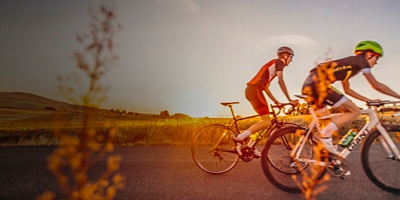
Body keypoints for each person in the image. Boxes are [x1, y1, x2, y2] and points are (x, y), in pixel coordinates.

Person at [301, 40, 400, 155]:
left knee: (327, 124)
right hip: (318, 85)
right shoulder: (360, 61)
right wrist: (398, 96)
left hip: (309, 85)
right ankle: (322, 137)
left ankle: (326, 163)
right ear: (369, 54)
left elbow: (347, 90)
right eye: (376, 58)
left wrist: (368, 100)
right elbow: (375, 85)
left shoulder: (349, 66)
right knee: (355, 111)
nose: (376, 63)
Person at [235, 46, 299, 157]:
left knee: (264, 122)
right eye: (291, 57)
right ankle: (239, 138)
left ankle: (250, 146)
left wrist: (276, 101)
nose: (291, 60)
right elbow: (281, 81)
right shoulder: (279, 62)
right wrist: (290, 100)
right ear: (285, 56)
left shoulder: (271, 67)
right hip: (255, 90)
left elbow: (266, 88)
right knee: (266, 122)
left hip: (253, 90)